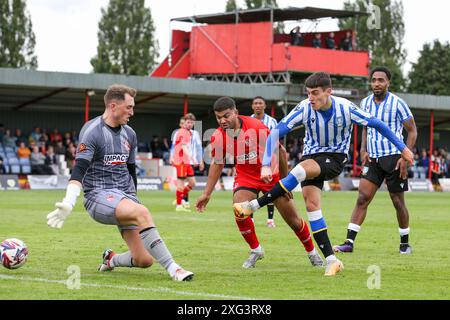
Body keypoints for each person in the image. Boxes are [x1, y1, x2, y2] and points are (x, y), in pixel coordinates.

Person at [233, 72, 414, 276]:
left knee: (300, 170)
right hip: (312, 155)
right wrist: (266, 164)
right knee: (312, 208)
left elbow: (378, 124)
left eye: (315, 93)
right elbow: (275, 132)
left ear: (329, 92)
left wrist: (403, 148)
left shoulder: (345, 107)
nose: (311, 98)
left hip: (334, 159)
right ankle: (332, 260)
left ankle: (254, 205)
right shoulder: (304, 107)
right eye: (308, 93)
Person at [46, 84, 193, 282]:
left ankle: (111, 260)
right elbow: (79, 168)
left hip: (125, 196)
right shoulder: (92, 131)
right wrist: (69, 201)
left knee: (144, 260)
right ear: (113, 106)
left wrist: (134, 198)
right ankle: (174, 269)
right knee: (142, 213)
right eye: (129, 107)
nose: (132, 112)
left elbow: (131, 169)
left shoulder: (129, 134)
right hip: (98, 197)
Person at [196, 97, 324, 270]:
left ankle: (312, 252)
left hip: (271, 176)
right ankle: (256, 250)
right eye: (219, 118)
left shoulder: (256, 127)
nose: (222, 121)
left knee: (293, 220)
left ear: (235, 112)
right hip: (246, 177)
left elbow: (281, 151)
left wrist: (286, 182)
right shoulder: (218, 136)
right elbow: (217, 164)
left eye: (226, 116)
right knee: (239, 209)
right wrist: (207, 193)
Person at [333, 67, 417, 255]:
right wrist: (363, 149)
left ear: (388, 83)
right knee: (362, 198)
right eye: (374, 80)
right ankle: (349, 242)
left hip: (394, 158)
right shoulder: (365, 103)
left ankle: (404, 244)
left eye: (381, 80)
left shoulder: (398, 103)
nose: (377, 83)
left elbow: (412, 131)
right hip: (373, 158)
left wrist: (406, 156)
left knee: (397, 201)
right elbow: (365, 126)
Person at [251, 96, 278, 228]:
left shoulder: (272, 122)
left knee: (270, 189)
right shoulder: (247, 121)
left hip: (268, 160)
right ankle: (251, 219)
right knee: (252, 189)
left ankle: (270, 219)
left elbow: (276, 141)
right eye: (255, 103)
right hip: (252, 160)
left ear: (264, 105)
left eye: (260, 103)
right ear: (252, 106)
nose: (258, 105)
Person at [172, 113, 204, 211]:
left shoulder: (190, 132)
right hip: (181, 160)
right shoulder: (183, 132)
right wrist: (193, 159)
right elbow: (183, 146)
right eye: (188, 122)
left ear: (194, 123)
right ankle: (179, 205)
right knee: (181, 183)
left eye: (191, 122)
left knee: (192, 183)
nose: (189, 124)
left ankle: (180, 198)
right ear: (184, 122)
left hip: (186, 161)